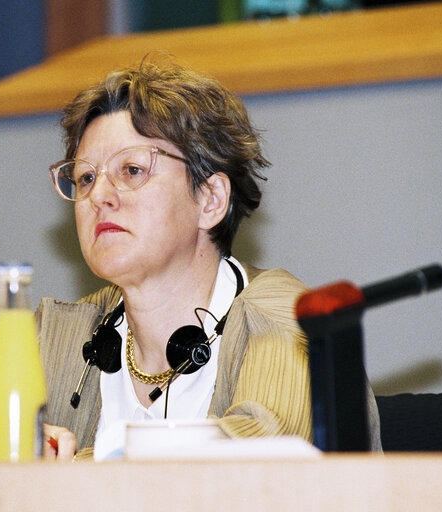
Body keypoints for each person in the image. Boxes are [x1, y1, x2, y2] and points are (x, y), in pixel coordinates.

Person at [37, 58, 381, 461]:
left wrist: (61, 470)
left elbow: (256, 457)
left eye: (131, 170)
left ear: (211, 199)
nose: (99, 196)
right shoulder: (53, 335)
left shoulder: (288, 319)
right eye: (86, 177)